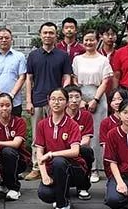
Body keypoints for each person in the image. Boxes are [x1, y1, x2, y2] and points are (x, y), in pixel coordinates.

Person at [24, 22, 74, 177]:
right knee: (37, 136)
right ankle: (37, 167)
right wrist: (28, 101)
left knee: (56, 135)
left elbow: (67, 77)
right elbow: (29, 79)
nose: (48, 35)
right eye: (45, 33)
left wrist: (62, 95)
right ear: (40, 35)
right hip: (37, 100)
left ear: (56, 35)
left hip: (56, 102)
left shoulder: (63, 55)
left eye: (51, 33)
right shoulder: (33, 55)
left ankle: (54, 166)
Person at [34, 88, 90, 209]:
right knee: (45, 194)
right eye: (53, 99)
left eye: (60, 99)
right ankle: (62, 195)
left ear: (66, 102)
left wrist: (52, 154)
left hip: (74, 168)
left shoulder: (72, 124)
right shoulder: (42, 124)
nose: (56, 102)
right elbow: (39, 152)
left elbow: (75, 151)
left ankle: (62, 205)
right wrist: (44, 175)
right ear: (48, 101)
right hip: (52, 169)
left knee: (59, 161)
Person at [72, 29, 113, 183]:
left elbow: (105, 81)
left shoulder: (103, 60)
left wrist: (95, 100)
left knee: (96, 134)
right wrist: (80, 100)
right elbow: (74, 79)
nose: (89, 43)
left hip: (98, 97)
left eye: (92, 40)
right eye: (86, 40)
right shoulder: (77, 59)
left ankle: (96, 168)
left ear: (97, 41)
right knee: (80, 132)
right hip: (80, 97)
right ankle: (81, 166)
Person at [0, 93, 28, 201]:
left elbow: (16, 144)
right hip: (0, 161)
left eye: (8, 105)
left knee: (8, 151)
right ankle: (3, 183)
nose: (4, 108)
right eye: (1, 105)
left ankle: (14, 188)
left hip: (19, 160)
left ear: (12, 106)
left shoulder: (19, 122)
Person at [0, 27, 27, 118]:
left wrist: (11, 95)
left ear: (11, 40)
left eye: (7, 38)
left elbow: (22, 77)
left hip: (14, 102)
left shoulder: (20, 56)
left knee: (15, 125)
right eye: (1, 38)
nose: (4, 40)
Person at [64, 85, 97, 177]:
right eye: (70, 97)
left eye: (77, 97)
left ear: (81, 99)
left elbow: (86, 139)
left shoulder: (86, 115)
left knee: (87, 151)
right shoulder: (59, 115)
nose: (74, 100)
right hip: (62, 149)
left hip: (79, 148)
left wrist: (74, 149)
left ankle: (85, 179)